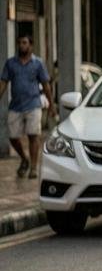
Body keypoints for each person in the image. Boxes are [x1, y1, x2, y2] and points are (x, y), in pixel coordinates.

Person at [0, 35, 55, 179]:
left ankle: (33, 167)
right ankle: (24, 158)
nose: (21, 46)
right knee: (13, 136)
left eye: (24, 43)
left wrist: (51, 105)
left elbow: (46, 85)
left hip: (33, 104)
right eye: (19, 43)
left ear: (31, 46)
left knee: (33, 135)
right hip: (16, 106)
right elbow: (3, 83)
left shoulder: (38, 64)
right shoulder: (10, 63)